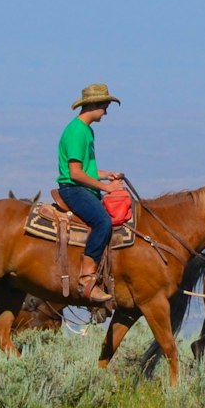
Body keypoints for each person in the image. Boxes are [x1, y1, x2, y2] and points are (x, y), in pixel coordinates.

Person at [56, 84, 124, 304]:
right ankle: (86, 279)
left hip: (84, 187)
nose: (106, 111)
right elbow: (75, 173)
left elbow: (87, 169)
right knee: (103, 222)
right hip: (73, 189)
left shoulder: (87, 131)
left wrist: (107, 175)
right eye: (105, 106)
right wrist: (106, 188)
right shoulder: (76, 132)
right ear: (93, 105)